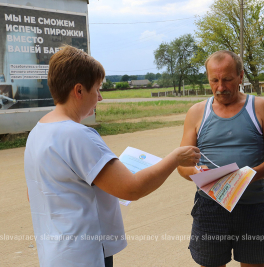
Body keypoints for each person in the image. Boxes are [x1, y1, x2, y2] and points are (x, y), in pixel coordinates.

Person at [24, 45, 200, 267]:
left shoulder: (38, 131)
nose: (100, 97)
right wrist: (174, 158)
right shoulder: (78, 135)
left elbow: (37, 192)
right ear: (78, 91)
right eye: (97, 89)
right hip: (85, 254)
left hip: (55, 252)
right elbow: (131, 188)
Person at [177, 50, 264, 267]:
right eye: (214, 80)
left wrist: (249, 176)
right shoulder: (197, 112)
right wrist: (198, 173)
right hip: (210, 208)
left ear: (240, 76)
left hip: (253, 206)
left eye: (227, 80)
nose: (220, 87)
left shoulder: (259, 108)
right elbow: (182, 164)